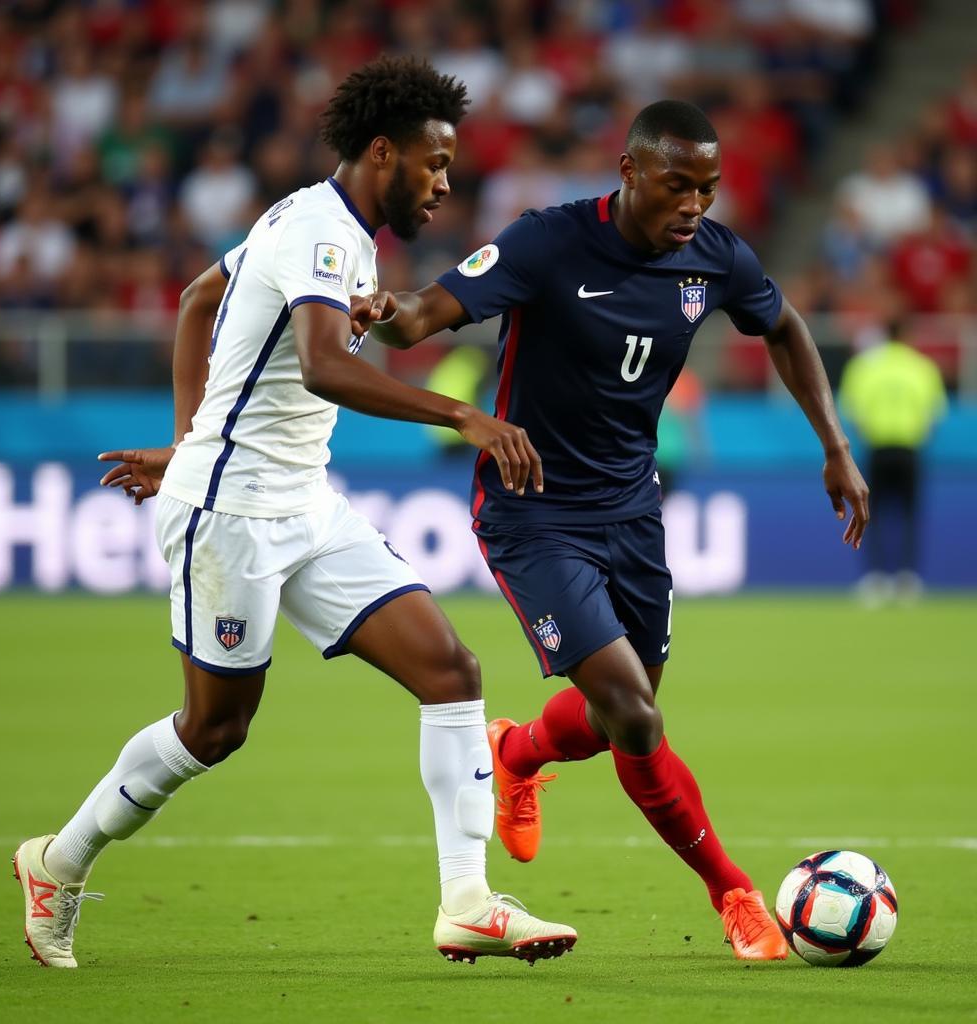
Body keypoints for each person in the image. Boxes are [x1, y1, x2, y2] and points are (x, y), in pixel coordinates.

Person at [14, 56, 576, 970]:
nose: (445, 183)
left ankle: (467, 901)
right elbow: (322, 362)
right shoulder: (322, 230)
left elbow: (204, 300)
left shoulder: (316, 221)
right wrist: (464, 415)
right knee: (215, 729)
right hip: (231, 515)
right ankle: (58, 859)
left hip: (304, 502)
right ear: (383, 152)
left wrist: (193, 433)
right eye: (434, 164)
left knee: (451, 669)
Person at [354, 100, 871, 961]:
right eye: (678, 185)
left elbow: (783, 325)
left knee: (623, 712)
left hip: (633, 511)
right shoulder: (548, 241)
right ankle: (734, 892)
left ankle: (514, 752)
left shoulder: (713, 258)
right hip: (534, 509)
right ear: (629, 172)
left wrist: (835, 445)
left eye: (707, 188)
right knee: (633, 715)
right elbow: (430, 311)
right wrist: (387, 311)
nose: (695, 206)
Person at [839, 327, 946, 604]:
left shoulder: (865, 367)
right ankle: (907, 579)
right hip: (909, 449)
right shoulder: (923, 367)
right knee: (909, 515)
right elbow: (934, 415)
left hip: (877, 448)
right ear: (907, 337)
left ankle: (875, 580)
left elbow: (851, 410)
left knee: (869, 516)